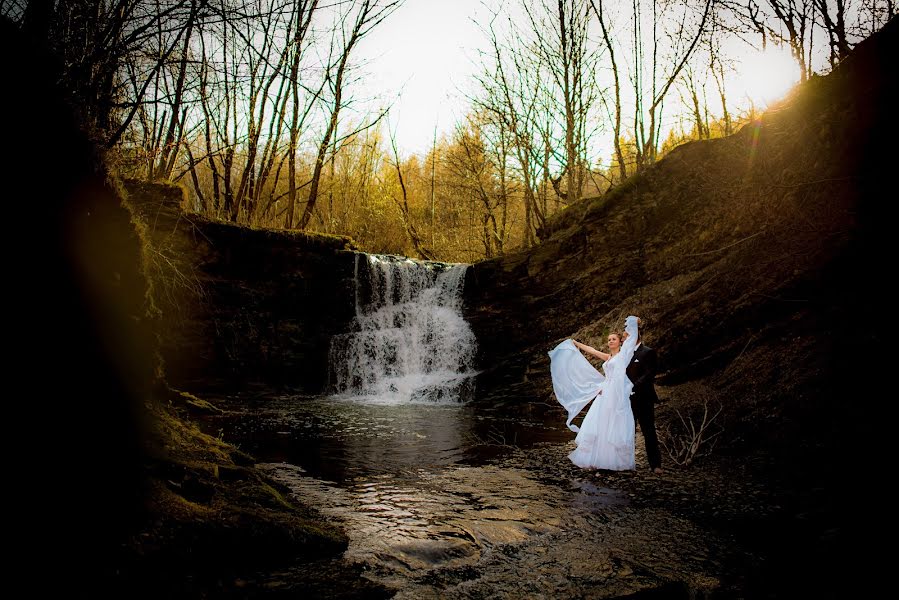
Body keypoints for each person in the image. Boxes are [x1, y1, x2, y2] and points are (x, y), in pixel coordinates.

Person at [548, 316, 639, 471]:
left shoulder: (624, 355)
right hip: (604, 393)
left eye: (613, 339)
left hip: (616, 394)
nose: (610, 341)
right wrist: (576, 343)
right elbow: (593, 351)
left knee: (613, 424)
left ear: (620, 342)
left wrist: (633, 323)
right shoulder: (609, 357)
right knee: (600, 424)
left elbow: (632, 338)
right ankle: (596, 458)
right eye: (609, 339)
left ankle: (613, 459)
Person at [623, 320, 663, 473]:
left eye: (628, 335)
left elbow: (649, 374)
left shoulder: (648, 352)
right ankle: (626, 463)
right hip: (627, 399)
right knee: (627, 431)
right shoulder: (624, 354)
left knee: (648, 431)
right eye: (625, 336)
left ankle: (656, 465)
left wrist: (632, 386)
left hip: (644, 398)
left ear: (636, 335)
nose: (625, 338)